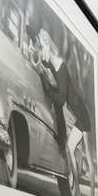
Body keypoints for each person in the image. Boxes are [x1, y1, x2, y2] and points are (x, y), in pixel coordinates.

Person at [36, 28, 91, 176]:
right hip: (77, 115)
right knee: (69, 149)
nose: (41, 51)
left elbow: (60, 99)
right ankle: (77, 175)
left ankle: (77, 183)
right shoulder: (52, 66)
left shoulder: (61, 67)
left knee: (70, 149)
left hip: (81, 116)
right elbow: (58, 107)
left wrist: (47, 88)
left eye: (42, 47)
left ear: (48, 45)